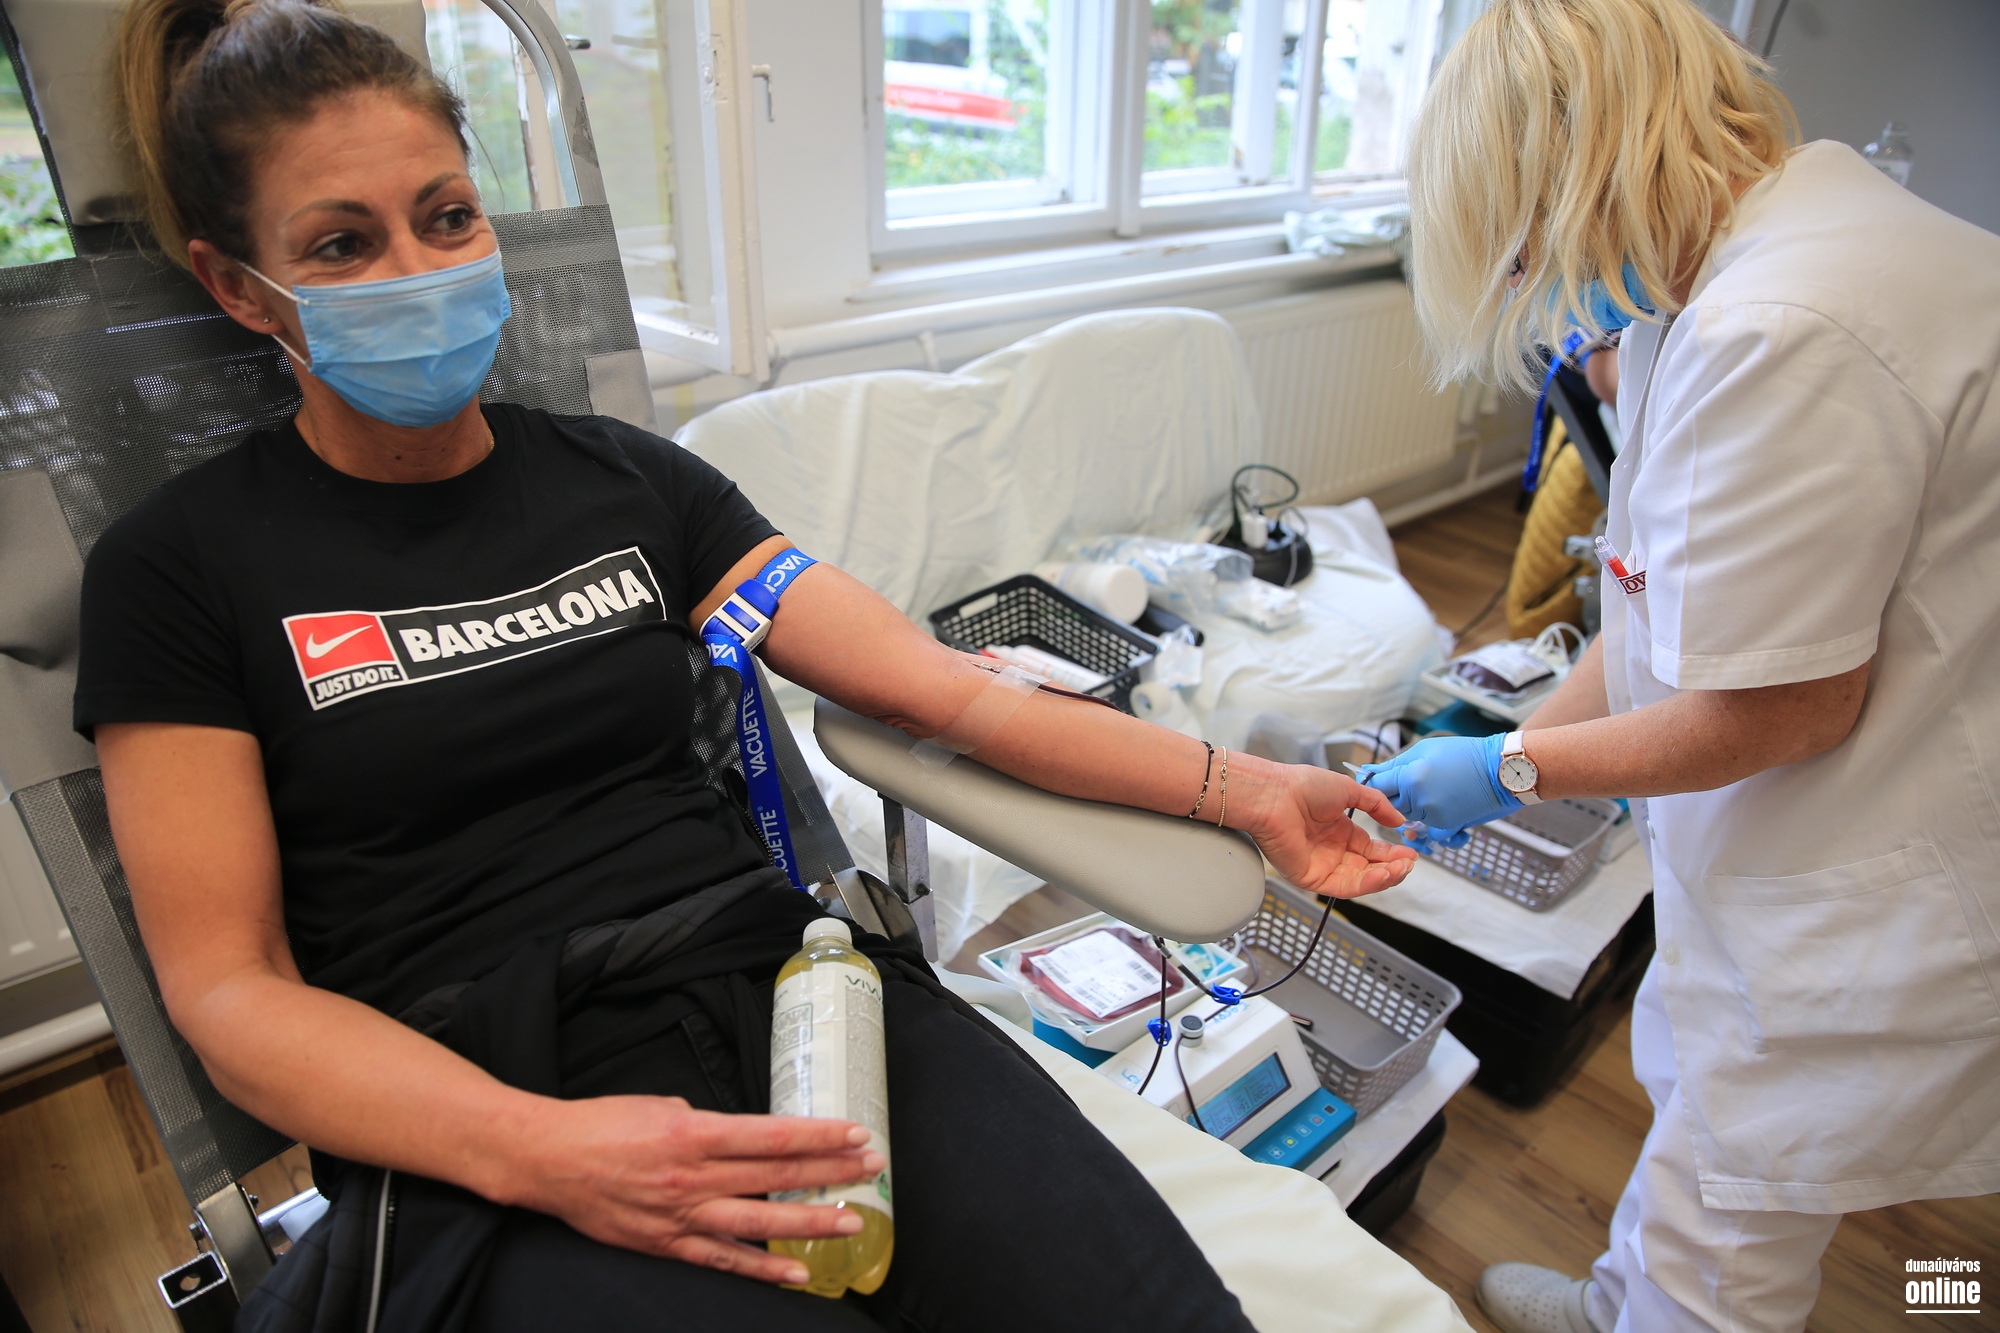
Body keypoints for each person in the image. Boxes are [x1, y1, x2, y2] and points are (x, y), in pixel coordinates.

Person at [80, 1, 1420, 1329]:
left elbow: (945, 691)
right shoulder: (178, 569)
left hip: (791, 1002)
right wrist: (536, 1149)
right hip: (485, 1098)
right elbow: (230, 987)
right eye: (342, 243)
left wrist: (1249, 789)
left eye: (447, 217)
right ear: (236, 284)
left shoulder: (636, 485)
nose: (416, 271)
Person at [1373, 1, 2000, 1331]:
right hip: (1790, 843)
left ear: (1583, 169)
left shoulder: (1783, 323)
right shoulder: (1724, 287)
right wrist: (1513, 738)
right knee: (1703, 1115)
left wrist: (1509, 769)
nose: (1540, 279)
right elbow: (1654, 610)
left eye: (1527, 241)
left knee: (1735, 1220)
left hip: (1862, 866)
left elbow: (1785, 705)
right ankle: (1619, 1301)